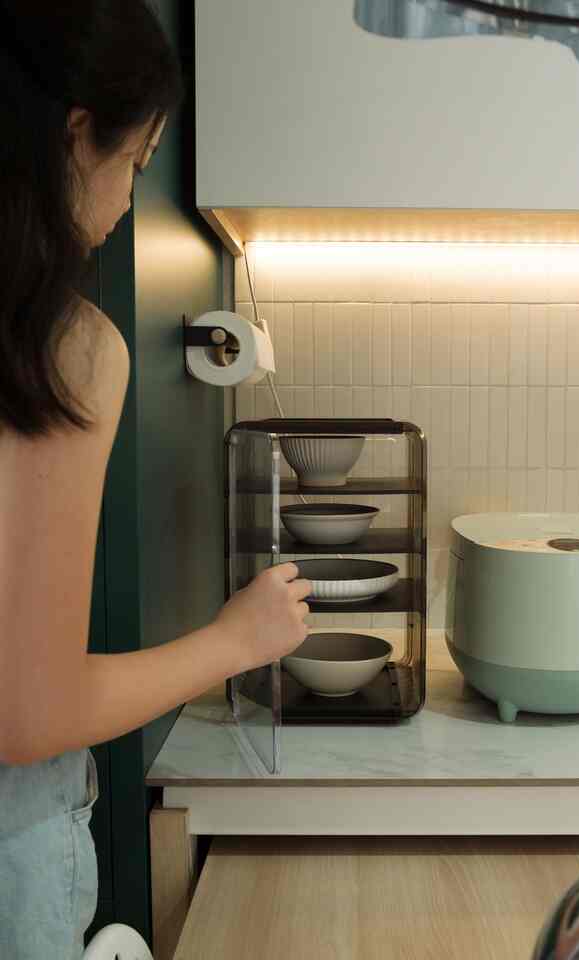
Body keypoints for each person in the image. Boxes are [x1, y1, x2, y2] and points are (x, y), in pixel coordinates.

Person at [0, 3, 311, 957]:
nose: (133, 197)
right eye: (136, 164)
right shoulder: (59, 350)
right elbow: (29, 711)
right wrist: (237, 637)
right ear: (74, 134)